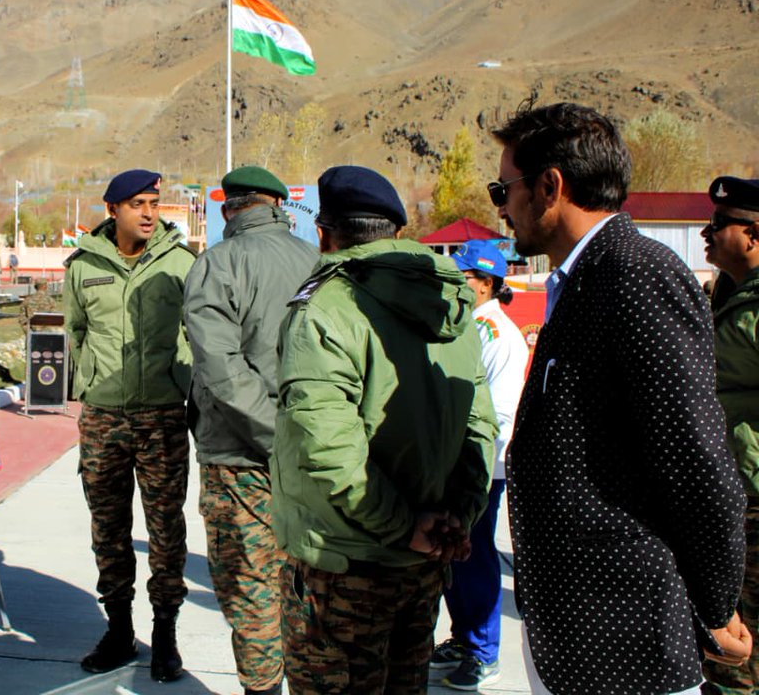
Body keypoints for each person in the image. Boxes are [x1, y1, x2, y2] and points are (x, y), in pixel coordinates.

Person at [492, 102, 749, 694]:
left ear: (550, 186)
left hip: (624, 630)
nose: (501, 208)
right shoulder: (586, 277)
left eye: (503, 189)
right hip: (582, 629)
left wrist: (715, 603)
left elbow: (694, 460)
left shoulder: (635, 275)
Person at [271, 165, 498, 694]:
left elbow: (329, 449)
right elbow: (478, 427)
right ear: (396, 233)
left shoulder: (327, 306)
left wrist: (403, 526)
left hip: (343, 564)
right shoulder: (451, 308)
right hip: (423, 564)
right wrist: (455, 519)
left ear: (325, 234)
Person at [183, 166, 318, 695]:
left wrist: (271, 434)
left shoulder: (220, 262)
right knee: (303, 590)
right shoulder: (316, 262)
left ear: (228, 210)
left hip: (241, 460)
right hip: (308, 457)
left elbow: (221, 369)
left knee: (253, 594)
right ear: (279, 206)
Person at [63, 168, 196, 681]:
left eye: (154, 203)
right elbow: (76, 331)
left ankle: (165, 634)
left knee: (166, 531)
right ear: (112, 209)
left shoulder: (182, 264)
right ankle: (119, 630)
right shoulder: (83, 267)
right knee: (109, 529)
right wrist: (93, 383)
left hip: (162, 415)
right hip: (103, 418)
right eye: (137, 203)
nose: (148, 213)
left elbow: (195, 330)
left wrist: (179, 379)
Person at [431, 240, 528, 691]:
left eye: (463, 278)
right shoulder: (464, 325)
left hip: (480, 465)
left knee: (476, 556)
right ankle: (463, 636)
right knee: (452, 556)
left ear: (486, 284)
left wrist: (477, 465)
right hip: (452, 461)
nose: (455, 284)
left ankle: (484, 651)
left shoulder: (500, 334)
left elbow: (500, 411)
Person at [701, 176, 759, 694]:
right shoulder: (721, 295)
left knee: (736, 655)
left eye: (719, 224)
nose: (706, 231)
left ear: (754, 235)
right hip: (726, 498)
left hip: (755, 501)